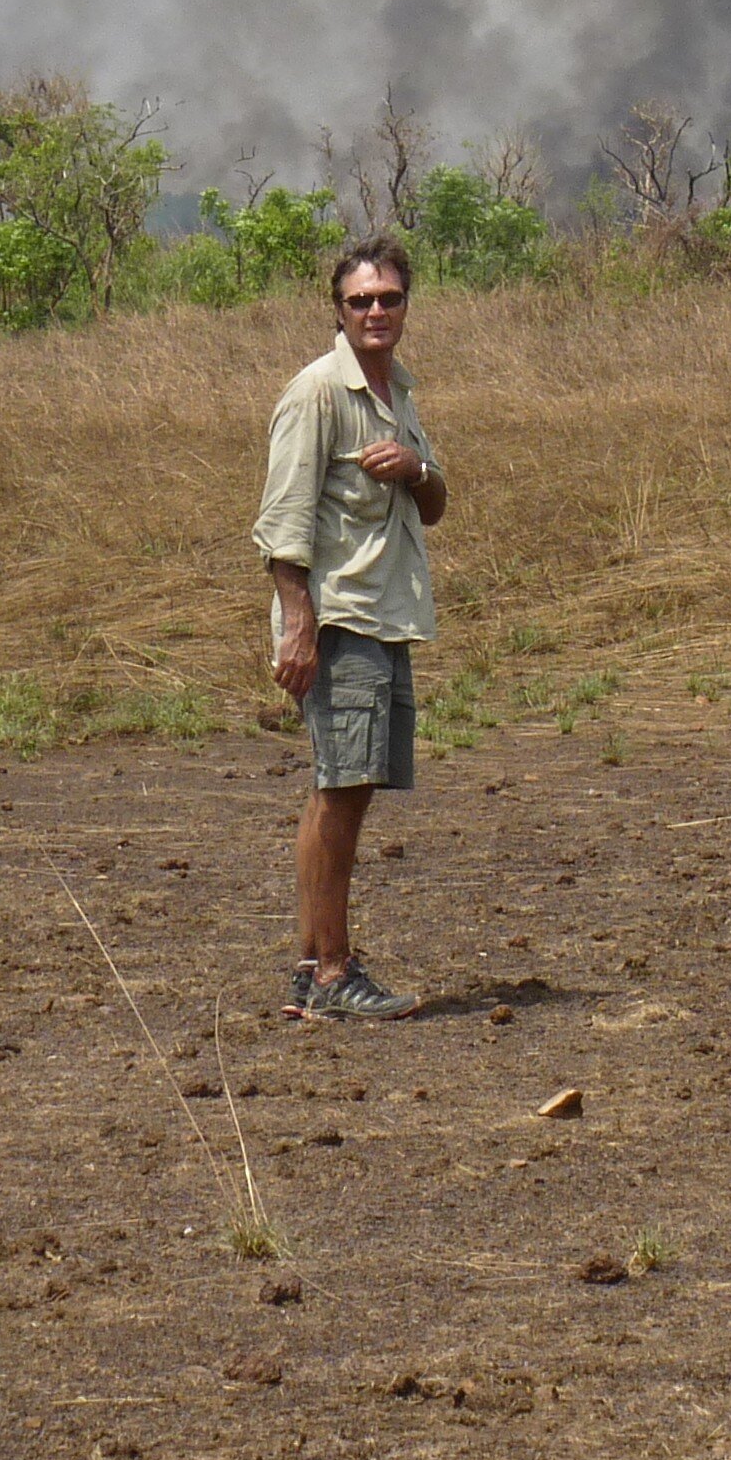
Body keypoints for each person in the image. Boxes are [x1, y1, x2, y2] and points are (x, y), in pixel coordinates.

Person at [255, 235, 446, 1021]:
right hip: (340, 620)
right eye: (361, 300)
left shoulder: (395, 390)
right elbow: (281, 525)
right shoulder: (316, 394)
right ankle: (332, 973)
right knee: (341, 789)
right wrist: (298, 627)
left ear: (406, 306)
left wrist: (416, 468)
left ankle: (315, 968)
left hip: (385, 613)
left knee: (347, 787)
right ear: (336, 309)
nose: (376, 311)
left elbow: (433, 504)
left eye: (389, 298)